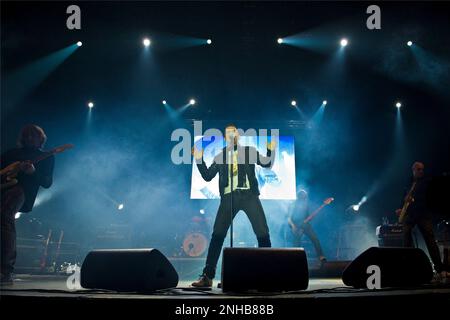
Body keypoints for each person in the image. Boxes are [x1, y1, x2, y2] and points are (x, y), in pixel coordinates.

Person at [191, 124, 276, 287]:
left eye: (234, 131)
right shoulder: (221, 155)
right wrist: (199, 159)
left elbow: (266, 163)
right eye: (228, 132)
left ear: (238, 135)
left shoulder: (249, 151)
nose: (232, 134)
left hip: (249, 195)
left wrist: (270, 150)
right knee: (217, 235)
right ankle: (207, 277)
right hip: (228, 197)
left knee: (263, 233)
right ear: (224, 137)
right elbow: (208, 176)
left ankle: (268, 274)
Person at [1, 125, 54, 284]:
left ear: (41, 139)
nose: (30, 138)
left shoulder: (46, 157)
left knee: (4, 216)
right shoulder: (11, 154)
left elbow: (47, 182)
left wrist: (33, 172)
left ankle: (5, 270)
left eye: (34, 136)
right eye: (28, 135)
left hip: (21, 191)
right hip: (3, 189)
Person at [396, 161, 446, 277]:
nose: (421, 171)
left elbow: (428, 198)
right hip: (410, 214)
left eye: (422, 169)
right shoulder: (408, 182)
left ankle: (439, 268)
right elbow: (403, 197)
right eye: (418, 169)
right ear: (413, 170)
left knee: (430, 240)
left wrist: (414, 200)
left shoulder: (426, 182)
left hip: (422, 214)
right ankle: (409, 267)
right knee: (406, 237)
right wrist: (400, 208)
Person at [288, 189, 326, 264]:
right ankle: (295, 259)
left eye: (305, 197)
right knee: (296, 243)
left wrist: (308, 220)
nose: (304, 199)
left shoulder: (306, 205)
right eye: (303, 197)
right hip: (296, 225)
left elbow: (309, 217)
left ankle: (321, 256)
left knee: (315, 238)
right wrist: (293, 226)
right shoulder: (293, 204)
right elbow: (289, 218)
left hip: (305, 225)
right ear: (299, 197)